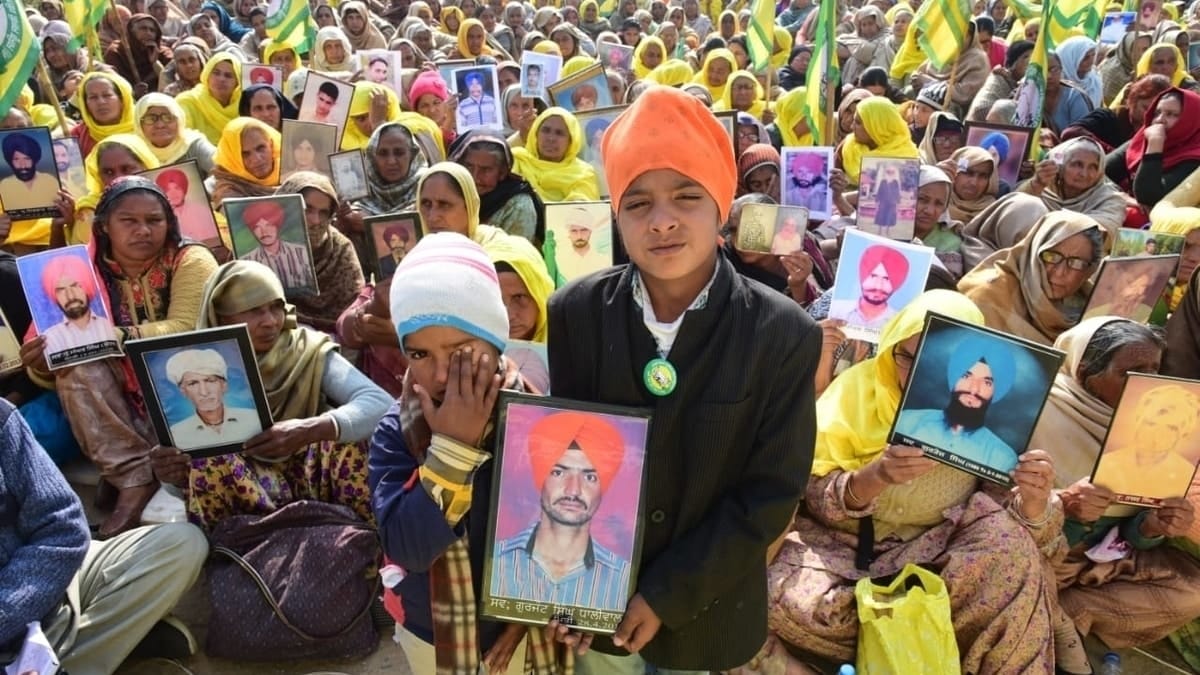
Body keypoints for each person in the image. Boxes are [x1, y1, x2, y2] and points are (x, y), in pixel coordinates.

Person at [546, 85, 821, 672]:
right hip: (595, 605)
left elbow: (770, 494)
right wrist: (564, 584)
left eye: (686, 196)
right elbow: (564, 454)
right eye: (638, 203)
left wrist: (666, 593)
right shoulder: (575, 313)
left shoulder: (783, 333)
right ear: (615, 215)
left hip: (708, 615)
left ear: (721, 206)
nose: (663, 221)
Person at [765, 290, 1058, 674]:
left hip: (939, 558)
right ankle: (904, 645)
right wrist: (872, 478)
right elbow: (805, 493)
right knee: (779, 594)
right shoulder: (854, 395)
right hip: (842, 553)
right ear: (889, 351)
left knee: (1013, 556)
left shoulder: (993, 433)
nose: (916, 373)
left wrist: (1034, 502)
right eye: (907, 357)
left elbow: (1006, 512)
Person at [370, 233, 561, 674]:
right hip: (431, 635)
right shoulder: (396, 432)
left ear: (496, 343)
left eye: (460, 351)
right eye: (418, 353)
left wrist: (526, 615)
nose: (440, 374)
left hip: (524, 641)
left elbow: (576, 548)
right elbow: (409, 549)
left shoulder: (544, 418)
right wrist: (453, 450)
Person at [20, 177, 218, 537]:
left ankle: (127, 474)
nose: (143, 230)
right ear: (105, 227)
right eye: (129, 221)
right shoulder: (82, 272)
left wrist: (116, 337)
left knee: (89, 346)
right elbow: (51, 360)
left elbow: (188, 327)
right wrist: (41, 362)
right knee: (76, 360)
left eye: (154, 220)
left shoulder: (190, 258)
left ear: (169, 222)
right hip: (115, 400)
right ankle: (134, 478)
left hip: (182, 387)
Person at [150, 259, 391, 531]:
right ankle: (240, 559)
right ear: (220, 316)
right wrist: (172, 476)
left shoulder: (304, 349)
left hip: (311, 480)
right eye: (253, 311)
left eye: (276, 307)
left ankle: (369, 544)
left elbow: (381, 404)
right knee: (208, 457)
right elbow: (182, 478)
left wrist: (309, 430)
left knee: (346, 439)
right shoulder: (193, 369)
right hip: (243, 499)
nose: (270, 322)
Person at [1026, 319, 1200, 672]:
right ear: (1086, 372)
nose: (1147, 384)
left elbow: (1134, 527)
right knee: (1018, 581)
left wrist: (1151, 526)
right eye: (1132, 373)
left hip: (1108, 560)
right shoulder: (1038, 411)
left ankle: (1075, 613)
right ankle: (1044, 615)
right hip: (1044, 554)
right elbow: (1004, 517)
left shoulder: (1152, 425)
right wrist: (1068, 509)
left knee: (1192, 592)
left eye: (1154, 370)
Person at [0, 399, 209, 674]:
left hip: (47, 587)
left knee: (182, 544)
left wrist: (10, 611)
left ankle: (70, 647)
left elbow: (62, 525)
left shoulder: (3, 418)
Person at [491, 411, 633, 610]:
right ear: (539, 479)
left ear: (604, 489)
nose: (573, 490)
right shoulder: (494, 562)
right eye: (558, 473)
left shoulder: (624, 579)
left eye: (590, 477)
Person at [959, 210, 1103, 345]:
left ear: (1089, 270)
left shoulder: (1089, 307)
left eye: (1076, 263)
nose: (1060, 272)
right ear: (1034, 251)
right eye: (1051, 256)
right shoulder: (989, 294)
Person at [894, 336, 1019, 470]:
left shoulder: (1003, 458)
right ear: (953, 379)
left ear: (997, 391)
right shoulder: (907, 422)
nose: (974, 389)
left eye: (987, 382)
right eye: (966, 376)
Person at [277, 172, 364, 333]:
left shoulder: (340, 250)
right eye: (306, 209)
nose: (315, 220)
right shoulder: (262, 244)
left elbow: (354, 311)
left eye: (323, 213)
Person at [1093, 383, 1199, 499]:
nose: (1157, 434)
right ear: (1138, 420)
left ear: (1184, 434)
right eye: (1151, 424)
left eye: (1170, 428)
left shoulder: (1186, 474)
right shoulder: (1106, 464)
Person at [450, 128, 545, 244]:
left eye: (486, 170)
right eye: (469, 167)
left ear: (502, 172)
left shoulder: (518, 206)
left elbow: (513, 256)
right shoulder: (449, 193)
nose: (475, 176)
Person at [165, 347, 260, 449]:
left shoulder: (255, 419)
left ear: (224, 386)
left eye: (210, 381)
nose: (204, 392)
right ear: (183, 392)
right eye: (193, 383)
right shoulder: (175, 435)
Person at [38, 253, 117, 361]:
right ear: (54, 296)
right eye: (61, 290)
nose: (70, 296)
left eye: (76, 286)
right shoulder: (50, 338)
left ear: (87, 286)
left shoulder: (110, 325)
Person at [511, 108, 600, 202]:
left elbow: (583, 210)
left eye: (559, 133)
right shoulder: (518, 159)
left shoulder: (583, 174)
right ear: (535, 133)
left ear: (571, 141)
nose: (551, 138)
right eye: (545, 130)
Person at [238, 199, 316, 292]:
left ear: (277, 226)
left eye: (269, 225)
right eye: (257, 227)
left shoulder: (301, 252)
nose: (264, 232)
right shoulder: (246, 262)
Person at [828, 245, 909, 332]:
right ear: (862, 275)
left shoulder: (901, 324)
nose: (878, 286)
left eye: (886, 279)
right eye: (873, 276)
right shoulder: (835, 310)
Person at [0, 132, 59, 212]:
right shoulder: (4, 185)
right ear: (10, 161)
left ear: (34, 159)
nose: (22, 166)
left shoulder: (50, 180)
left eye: (27, 159)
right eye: (16, 159)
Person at [154, 167, 215, 241]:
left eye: (177, 188)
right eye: (167, 190)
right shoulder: (159, 217)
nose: (173, 193)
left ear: (184, 188)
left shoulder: (202, 210)